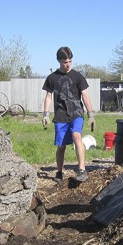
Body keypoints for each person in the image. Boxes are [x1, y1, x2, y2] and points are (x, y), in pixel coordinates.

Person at [41, 46, 96, 182]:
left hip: (76, 113)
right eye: (65, 62)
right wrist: (46, 115)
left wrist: (91, 115)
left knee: (76, 135)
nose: (68, 65)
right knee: (61, 146)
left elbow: (85, 95)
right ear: (59, 61)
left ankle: (82, 170)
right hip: (60, 116)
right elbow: (48, 96)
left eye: (70, 61)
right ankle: (59, 172)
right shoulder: (52, 78)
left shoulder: (78, 76)